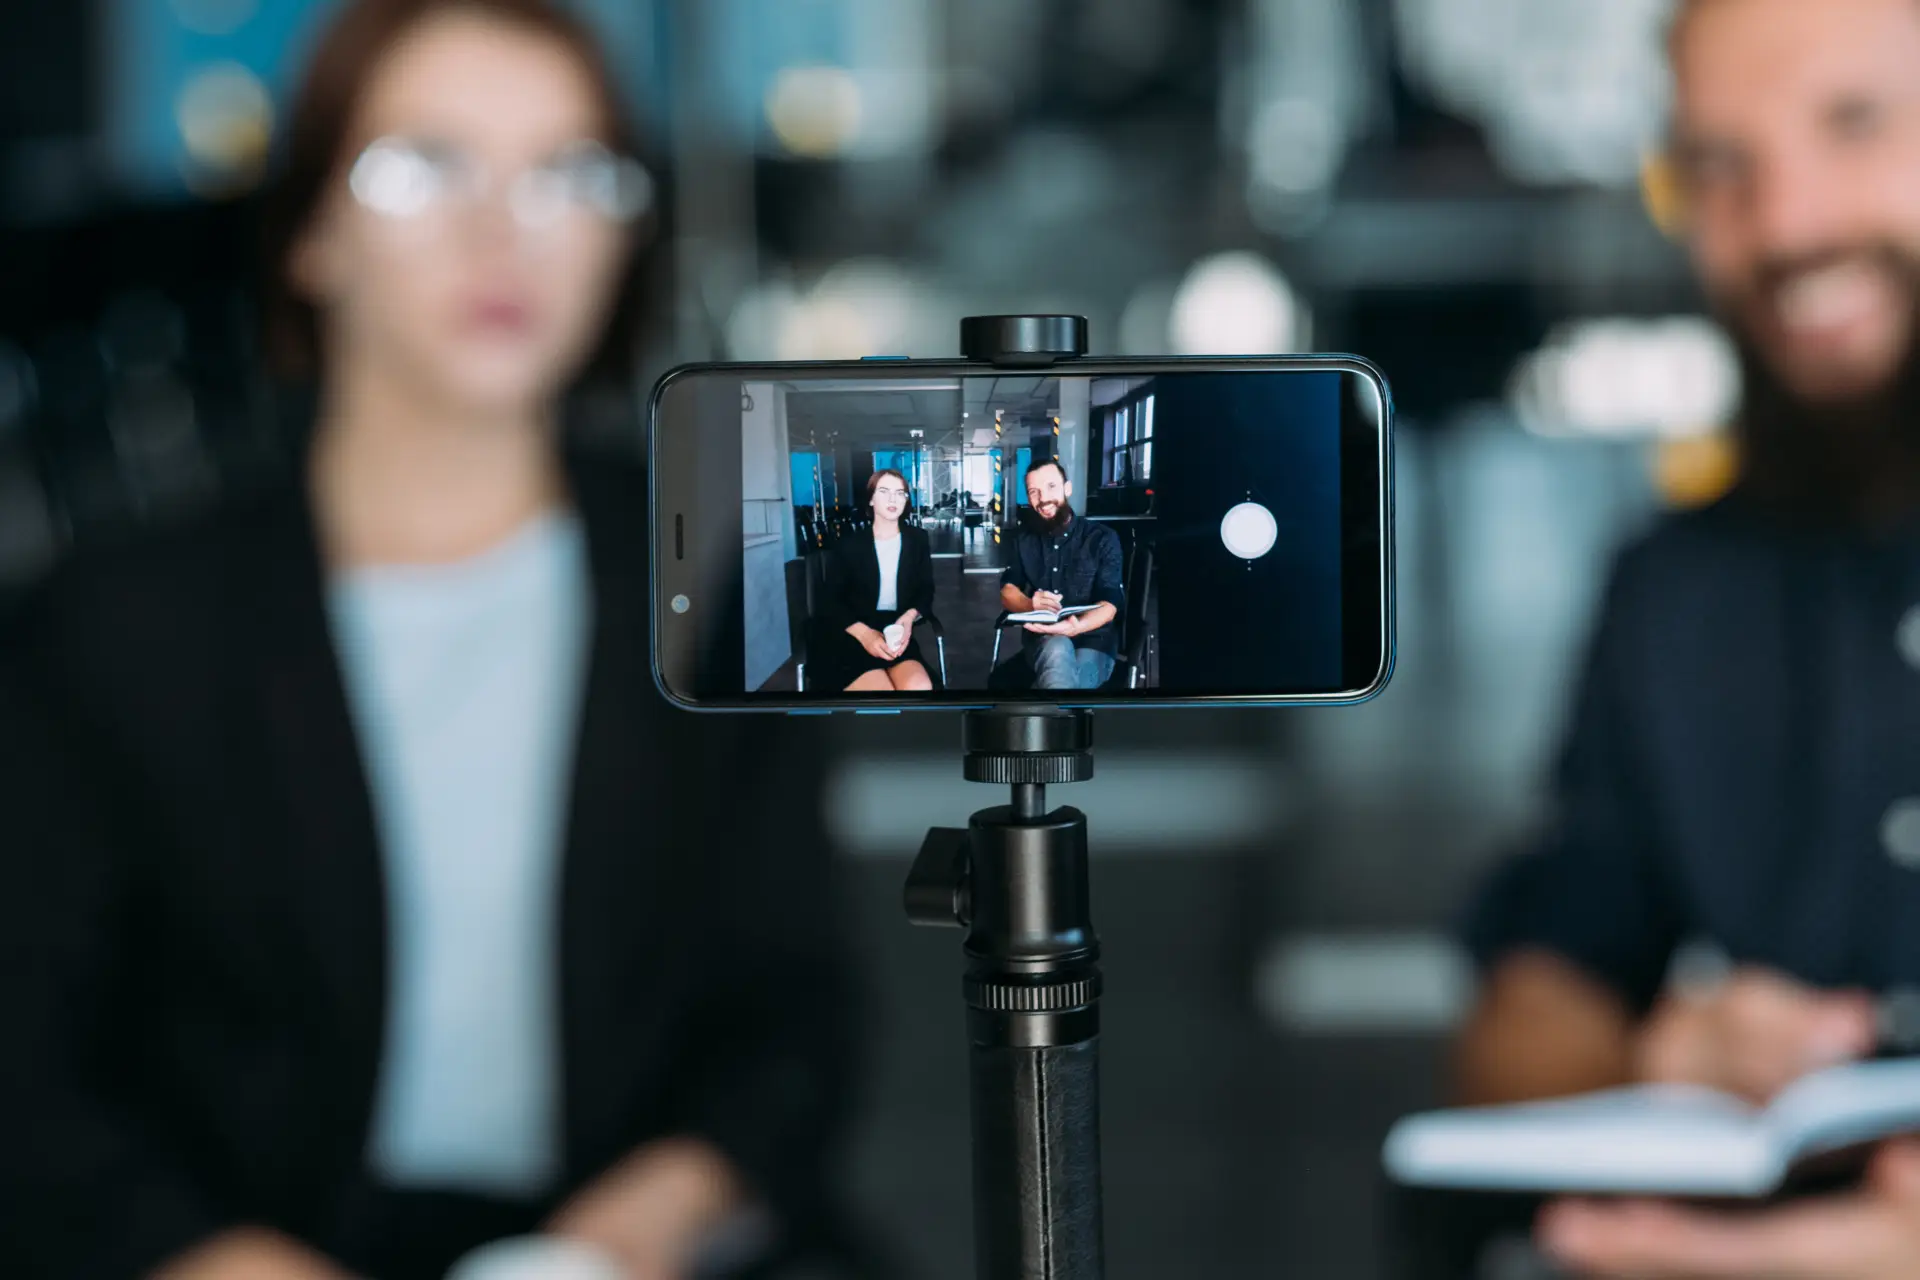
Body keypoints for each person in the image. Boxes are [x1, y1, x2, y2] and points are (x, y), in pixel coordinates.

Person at [0, 3, 862, 1278]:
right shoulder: (111, 622)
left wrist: (616, 1248)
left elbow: (796, 1024)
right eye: (423, 166)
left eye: (569, 172)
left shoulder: (732, 572)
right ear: (310, 231)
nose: (503, 230)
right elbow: (32, 1080)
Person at [1450, 0, 1920, 1274]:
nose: (1788, 225)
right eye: (1720, 166)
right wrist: (1656, 1055)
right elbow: (1525, 1008)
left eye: (1858, 122)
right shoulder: (1676, 589)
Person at [999, 458, 1124, 690]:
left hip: (1094, 641)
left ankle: (1043, 720)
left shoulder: (1102, 538)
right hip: (1043, 639)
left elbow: (1110, 603)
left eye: (1051, 487)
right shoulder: (1022, 540)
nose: (1043, 498)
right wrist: (1029, 605)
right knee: (1056, 649)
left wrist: (1075, 627)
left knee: (1058, 681)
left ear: (1067, 488)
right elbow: (1008, 590)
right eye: (1033, 492)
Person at [814, 468, 934, 692]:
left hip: (894, 631)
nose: (892, 499)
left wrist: (909, 617)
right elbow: (829, 601)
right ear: (871, 499)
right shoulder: (848, 544)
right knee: (880, 693)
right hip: (852, 632)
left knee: (919, 687)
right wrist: (866, 635)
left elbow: (926, 589)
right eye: (884, 491)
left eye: (900, 493)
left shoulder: (917, 539)